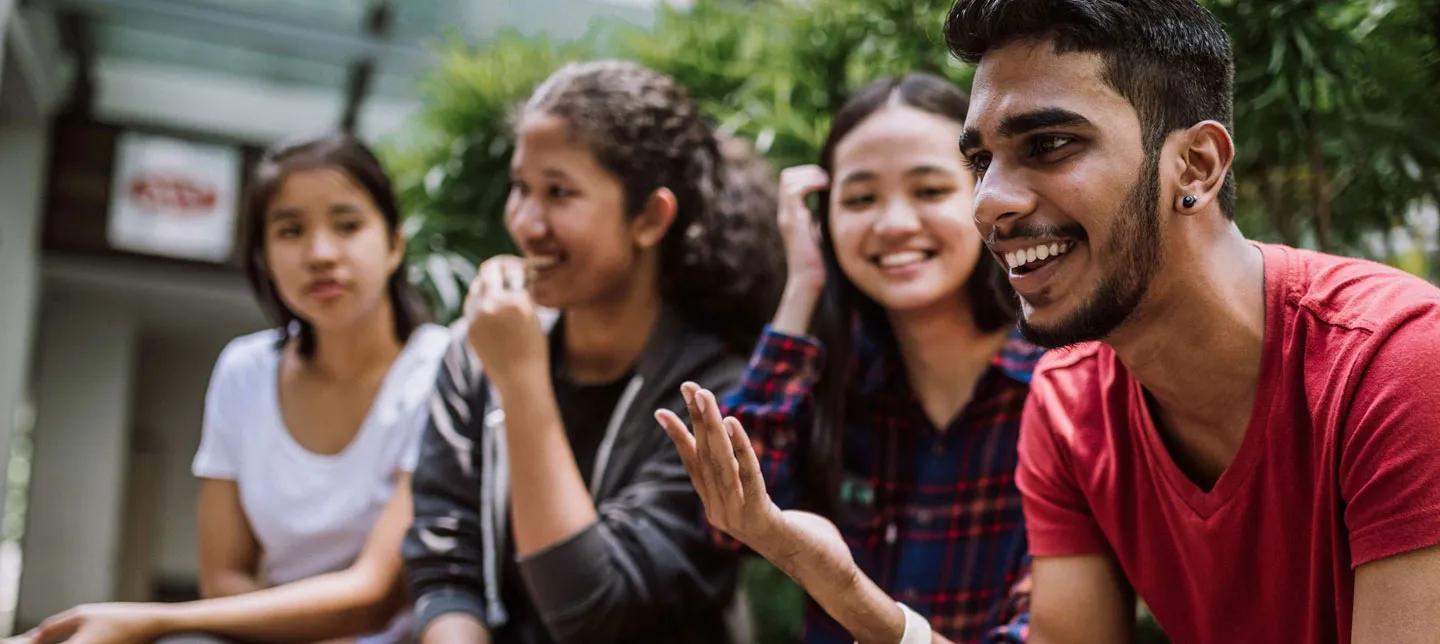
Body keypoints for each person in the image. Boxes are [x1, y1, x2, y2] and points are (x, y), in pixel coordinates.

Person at [664, 1, 1440, 643]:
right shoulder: (1070, 403)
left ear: (1197, 166)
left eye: (1050, 144)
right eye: (981, 161)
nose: (988, 203)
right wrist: (852, 595)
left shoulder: (1396, 366)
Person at [401, 60, 785, 644]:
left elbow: (594, 612)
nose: (526, 222)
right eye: (521, 188)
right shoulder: (473, 352)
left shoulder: (717, 396)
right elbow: (446, 568)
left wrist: (523, 381)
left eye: (558, 192)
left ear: (650, 217)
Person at [26, 134, 452, 643]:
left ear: (394, 245)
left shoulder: (442, 368)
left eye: (348, 225)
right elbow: (225, 576)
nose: (320, 253)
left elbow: (374, 596)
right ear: (265, 256)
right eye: (290, 230)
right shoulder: (243, 371)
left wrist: (152, 618)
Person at [710, 73, 1039, 644]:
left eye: (930, 191)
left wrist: (854, 600)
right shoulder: (838, 379)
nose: (893, 224)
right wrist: (801, 289)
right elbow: (728, 523)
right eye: (860, 199)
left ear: (989, 196)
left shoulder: (1062, 390)